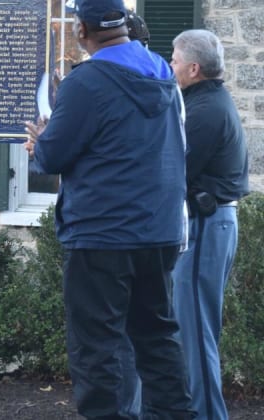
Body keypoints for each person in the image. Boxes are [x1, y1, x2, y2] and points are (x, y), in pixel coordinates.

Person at [24, 0, 194, 418]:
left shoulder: (87, 81)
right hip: (159, 231)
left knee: (98, 347)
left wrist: (41, 140)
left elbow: (53, 157)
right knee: (157, 338)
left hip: (102, 234)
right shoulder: (160, 72)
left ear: (81, 30)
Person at [170, 29, 249, 420]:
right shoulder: (207, 102)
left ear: (193, 68)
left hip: (206, 225)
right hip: (212, 224)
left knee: (196, 334)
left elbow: (172, 172)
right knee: (194, 331)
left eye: (174, 59)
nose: (170, 65)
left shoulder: (205, 111)